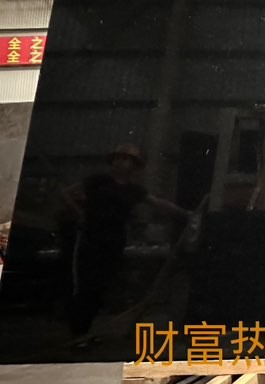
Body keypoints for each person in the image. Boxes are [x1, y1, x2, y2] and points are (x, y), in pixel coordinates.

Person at [62, 144, 191, 339]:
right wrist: (80, 214)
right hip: (91, 236)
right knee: (85, 281)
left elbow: (158, 203)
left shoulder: (133, 190)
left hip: (114, 239)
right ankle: (78, 329)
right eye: (118, 158)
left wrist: (186, 214)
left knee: (103, 283)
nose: (121, 163)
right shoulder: (98, 181)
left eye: (126, 159)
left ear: (134, 165)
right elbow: (66, 194)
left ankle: (85, 328)